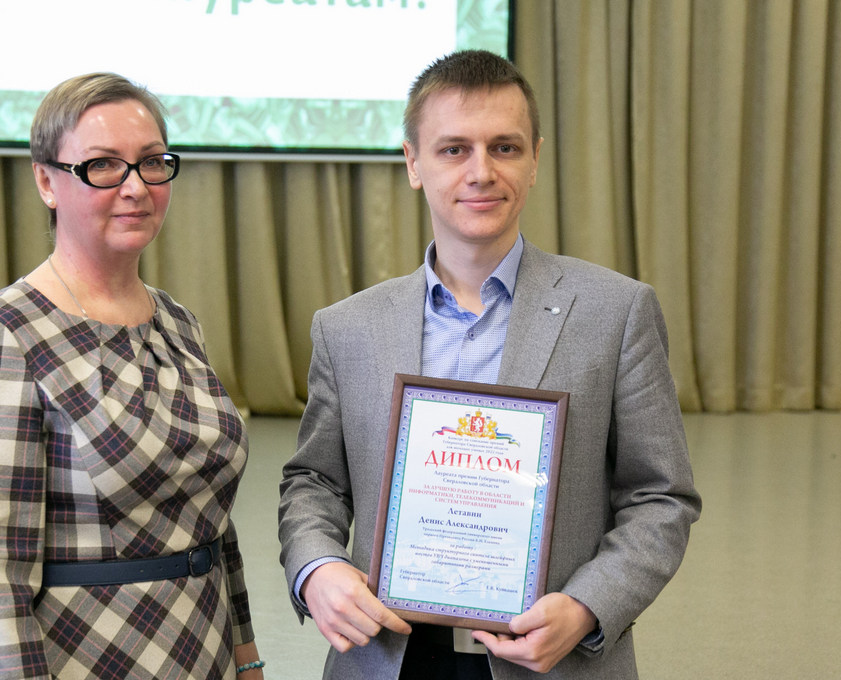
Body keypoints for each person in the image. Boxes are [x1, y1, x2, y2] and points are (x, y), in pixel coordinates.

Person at [277, 50, 701, 679]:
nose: (481, 172)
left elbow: (660, 496)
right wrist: (317, 568)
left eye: (504, 148)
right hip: (388, 658)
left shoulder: (616, 312)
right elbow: (315, 482)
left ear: (535, 160)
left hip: (552, 661)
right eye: (454, 149)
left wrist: (587, 607)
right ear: (413, 163)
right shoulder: (347, 327)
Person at [0, 73, 264, 679]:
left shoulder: (177, 322)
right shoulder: (0, 335)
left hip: (206, 653)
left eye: (152, 162)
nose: (135, 187)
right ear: (46, 182)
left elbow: (212, 519)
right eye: (103, 165)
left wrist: (247, 659)